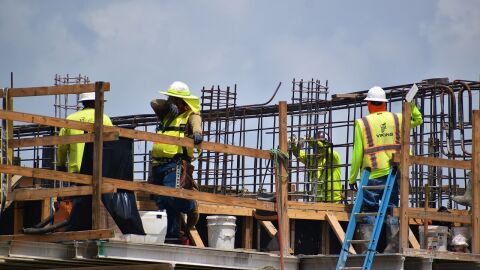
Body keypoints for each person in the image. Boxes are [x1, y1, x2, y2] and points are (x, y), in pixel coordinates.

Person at [348, 86, 423, 253]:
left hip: (372, 174)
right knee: (392, 209)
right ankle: (393, 249)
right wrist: (410, 105)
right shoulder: (398, 118)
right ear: (384, 104)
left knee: (369, 210)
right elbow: (418, 120)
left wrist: (352, 178)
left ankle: (367, 249)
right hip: (393, 173)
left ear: (369, 104)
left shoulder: (362, 123)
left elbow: (357, 154)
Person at [150, 81, 203, 244]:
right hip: (158, 164)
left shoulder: (191, 115)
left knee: (169, 198)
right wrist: (168, 105)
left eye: (173, 99)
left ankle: (191, 206)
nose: (171, 101)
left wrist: (196, 134)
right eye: (169, 98)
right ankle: (173, 236)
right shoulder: (167, 114)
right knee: (161, 201)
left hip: (175, 163)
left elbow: (196, 127)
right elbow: (153, 102)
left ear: (182, 101)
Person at [57, 92, 113, 173]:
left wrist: (61, 165)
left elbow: (62, 146)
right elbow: (112, 145)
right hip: (99, 170)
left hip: (76, 172)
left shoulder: (70, 119)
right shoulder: (105, 119)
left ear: (83, 102)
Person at [290, 131, 343, 203]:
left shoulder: (334, 157)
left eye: (321, 143)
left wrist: (312, 141)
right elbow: (298, 154)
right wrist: (294, 145)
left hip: (333, 202)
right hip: (318, 202)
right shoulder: (312, 159)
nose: (318, 147)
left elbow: (324, 149)